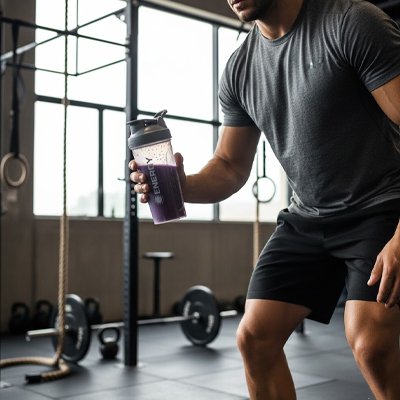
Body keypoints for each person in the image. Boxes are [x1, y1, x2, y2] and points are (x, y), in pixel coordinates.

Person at [130, 0, 400, 398]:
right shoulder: (240, 69)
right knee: (255, 339)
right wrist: (182, 186)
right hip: (308, 218)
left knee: (370, 344)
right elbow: (229, 166)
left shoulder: (351, 23)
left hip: (380, 206)